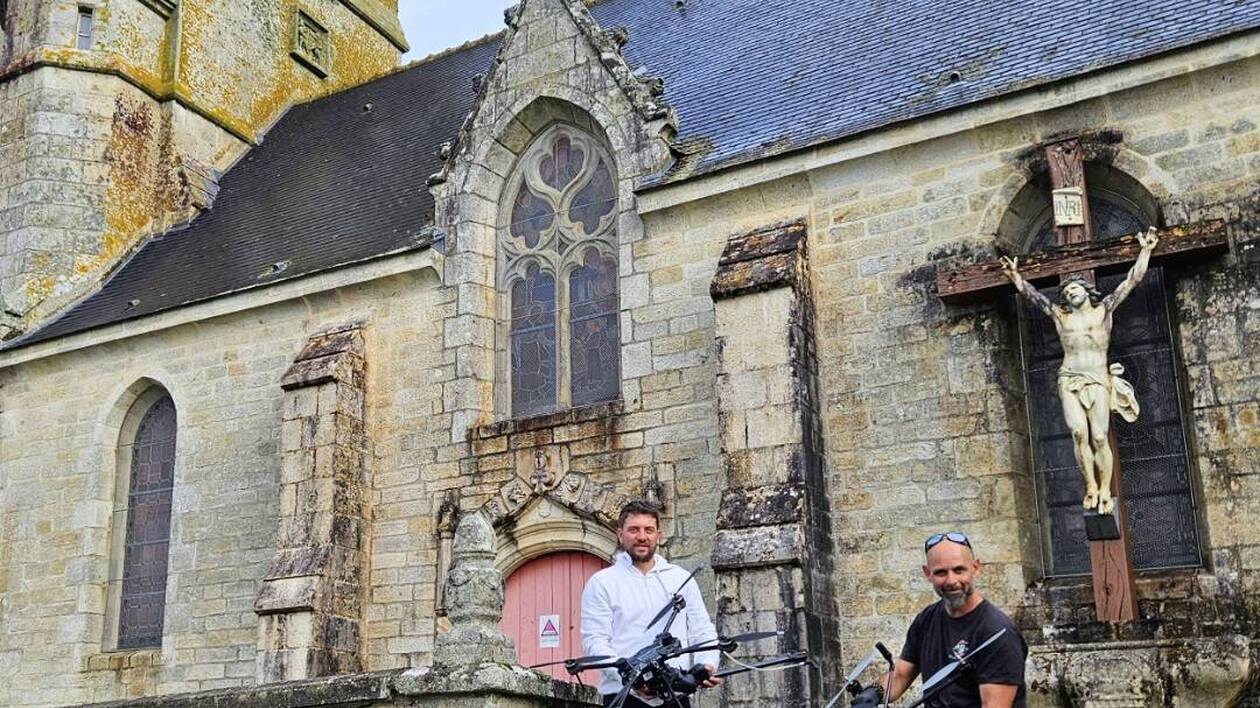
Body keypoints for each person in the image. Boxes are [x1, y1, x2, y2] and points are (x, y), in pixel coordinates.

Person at [1000, 227, 1157, 515]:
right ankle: (1091, 486)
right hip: (1070, 378)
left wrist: (1145, 250)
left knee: (1099, 437)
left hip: (1097, 378)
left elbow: (1132, 280)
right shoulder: (1060, 315)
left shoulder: (1104, 309)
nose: (1071, 293)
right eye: (1067, 292)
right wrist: (1015, 277)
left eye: (1075, 289)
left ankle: (1106, 489)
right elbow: (1034, 297)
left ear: (1087, 291)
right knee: (1077, 433)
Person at [580, 501, 721, 707]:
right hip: (625, 698)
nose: (642, 536)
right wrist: (631, 679)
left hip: (675, 697)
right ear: (620, 534)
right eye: (634, 530)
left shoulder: (680, 578)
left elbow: (702, 630)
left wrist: (706, 665)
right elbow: (595, 641)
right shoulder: (602, 583)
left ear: (658, 535)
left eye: (649, 530)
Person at [885, 531, 1028, 708]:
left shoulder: (997, 633)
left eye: (959, 570)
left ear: (975, 567)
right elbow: (900, 675)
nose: (951, 581)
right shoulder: (926, 620)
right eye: (941, 572)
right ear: (927, 573)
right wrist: (871, 694)